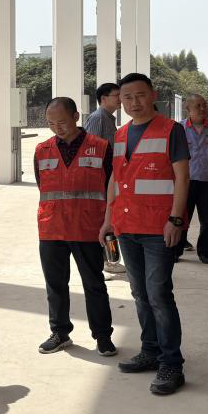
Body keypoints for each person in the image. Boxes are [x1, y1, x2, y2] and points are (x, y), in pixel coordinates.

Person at [98, 73, 190, 396]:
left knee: (159, 294)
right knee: (139, 294)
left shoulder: (171, 130)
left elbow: (182, 178)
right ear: (120, 101)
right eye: (127, 97)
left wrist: (175, 220)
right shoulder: (121, 134)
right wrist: (108, 219)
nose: (134, 102)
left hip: (158, 228)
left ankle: (172, 363)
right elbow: (115, 179)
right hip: (127, 226)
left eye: (139, 95)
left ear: (153, 95)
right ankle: (150, 350)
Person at [33, 97, 116, 357]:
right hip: (52, 228)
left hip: (88, 228)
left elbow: (111, 188)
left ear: (76, 117)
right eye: (51, 123)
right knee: (55, 285)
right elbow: (43, 186)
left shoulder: (101, 148)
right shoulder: (42, 150)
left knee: (94, 284)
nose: (56, 128)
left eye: (62, 122)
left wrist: (108, 223)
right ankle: (59, 332)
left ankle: (103, 336)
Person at [84, 82, 126, 275]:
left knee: (109, 220)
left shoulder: (108, 118)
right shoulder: (98, 118)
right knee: (102, 221)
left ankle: (109, 260)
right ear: (103, 99)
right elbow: (90, 151)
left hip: (109, 178)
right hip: (100, 180)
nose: (120, 99)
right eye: (116, 95)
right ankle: (103, 263)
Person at [179, 93, 208, 264]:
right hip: (185, 181)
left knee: (207, 220)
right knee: (181, 218)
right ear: (188, 109)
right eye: (198, 106)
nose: (202, 109)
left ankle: (205, 253)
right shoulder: (179, 128)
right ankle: (176, 250)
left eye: (204, 105)